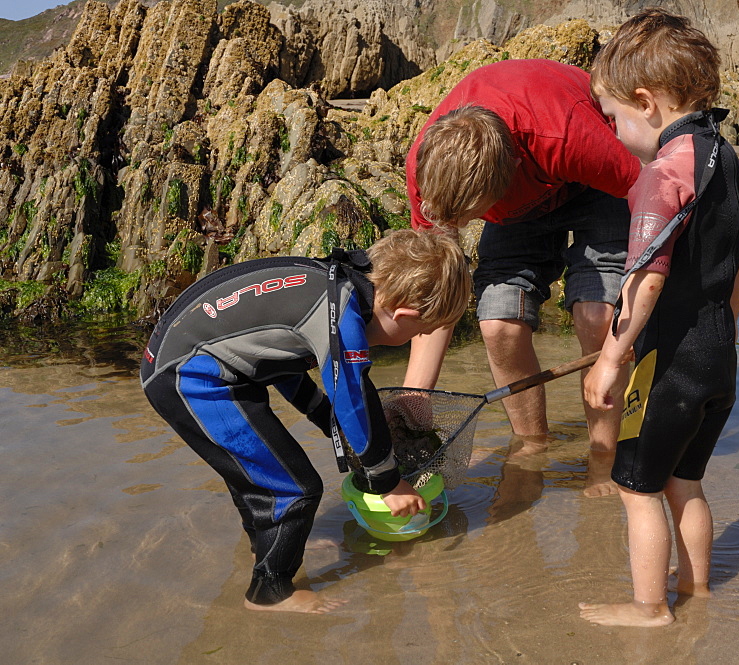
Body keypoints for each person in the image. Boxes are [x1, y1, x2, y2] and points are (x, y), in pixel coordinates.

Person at [139, 230, 471, 614]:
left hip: (191, 363)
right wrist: (387, 480)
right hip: (190, 379)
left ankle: (265, 551)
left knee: (261, 474)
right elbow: (352, 396)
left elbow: (280, 362)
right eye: (422, 331)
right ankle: (270, 592)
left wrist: (323, 418)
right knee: (294, 488)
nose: (423, 337)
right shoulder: (341, 319)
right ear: (404, 316)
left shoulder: (335, 284)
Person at [579, 9, 739, 627]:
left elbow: (646, 275)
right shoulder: (727, 160)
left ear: (646, 102)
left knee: (637, 488)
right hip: (719, 355)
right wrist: (724, 325)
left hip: (670, 363)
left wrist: (609, 359)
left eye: (613, 116)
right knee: (687, 482)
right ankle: (698, 589)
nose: (613, 130)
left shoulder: (662, 172)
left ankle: (649, 606)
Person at [404, 58, 642, 494]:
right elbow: (435, 295)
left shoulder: (570, 137)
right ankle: (533, 443)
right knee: (498, 324)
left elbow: (655, 202)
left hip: (598, 184)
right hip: (521, 196)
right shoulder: (427, 173)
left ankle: (604, 454)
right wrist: (416, 395)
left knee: (596, 315)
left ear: (509, 173)